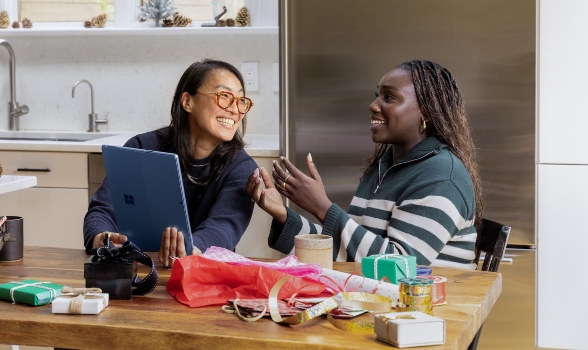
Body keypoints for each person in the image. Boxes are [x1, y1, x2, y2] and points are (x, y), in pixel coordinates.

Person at [246, 60, 483, 269]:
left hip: (428, 311)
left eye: (389, 97)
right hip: (382, 302)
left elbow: (401, 268)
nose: (373, 105)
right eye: (377, 95)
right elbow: (353, 249)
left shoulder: (441, 176)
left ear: (427, 112)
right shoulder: (385, 166)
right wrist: (283, 216)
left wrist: (322, 207)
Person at [84, 59, 258, 267]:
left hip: (200, 275)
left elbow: (224, 226)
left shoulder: (242, 167)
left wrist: (191, 250)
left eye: (240, 101)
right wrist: (101, 238)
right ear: (187, 101)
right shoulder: (140, 147)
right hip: (136, 269)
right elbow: (103, 209)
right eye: (224, 97)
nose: (235, 109)